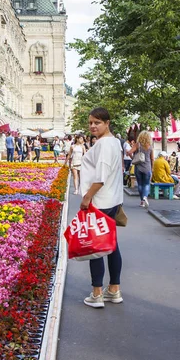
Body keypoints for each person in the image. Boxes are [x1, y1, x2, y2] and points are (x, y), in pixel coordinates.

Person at [80, 107, 123, 308]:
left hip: (100, 202)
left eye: (97, 122)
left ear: (107, 123)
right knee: (111, 246)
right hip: (112, 200)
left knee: (95, 247)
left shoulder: (105, 144)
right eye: (90, 122)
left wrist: (87, 197)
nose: (92, 126)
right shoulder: (115, 143)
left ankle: (97, 293)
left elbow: (101, 177)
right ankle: (114, 289)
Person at [129, 131, 154, 208]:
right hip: (147, 167)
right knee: (146, 184)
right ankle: (144, 198)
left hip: (138, 167)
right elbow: (152, 158)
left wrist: (133, 158)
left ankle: (142, 202)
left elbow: (129, 152)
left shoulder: (138, 145)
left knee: (140, 184)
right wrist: (152, 168)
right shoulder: (150, 146)